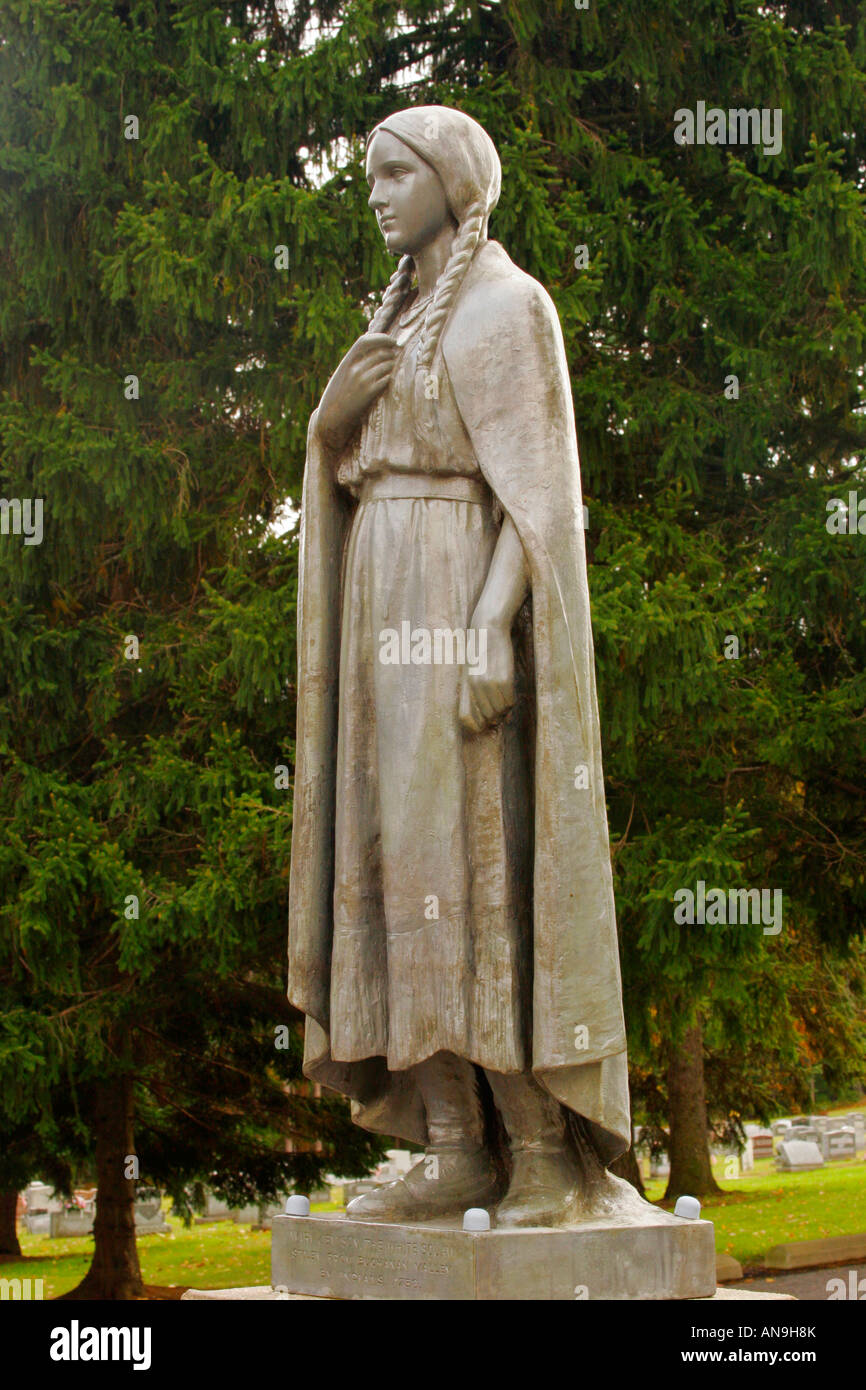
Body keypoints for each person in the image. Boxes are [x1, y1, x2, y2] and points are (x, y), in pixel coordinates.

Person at [288, 105, 632, 1227]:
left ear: (448, 179)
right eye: (369, 175)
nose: (375, 193)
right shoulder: (388, 321)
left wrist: (488, 626)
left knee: (473, 860)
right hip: (377, 607)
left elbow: (535, 499)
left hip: (453, 591)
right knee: (387, 862)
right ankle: (450, 1147)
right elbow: (345, 474)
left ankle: (537, 1151)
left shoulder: (507, 308)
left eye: (394, 174)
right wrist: (327, 428)